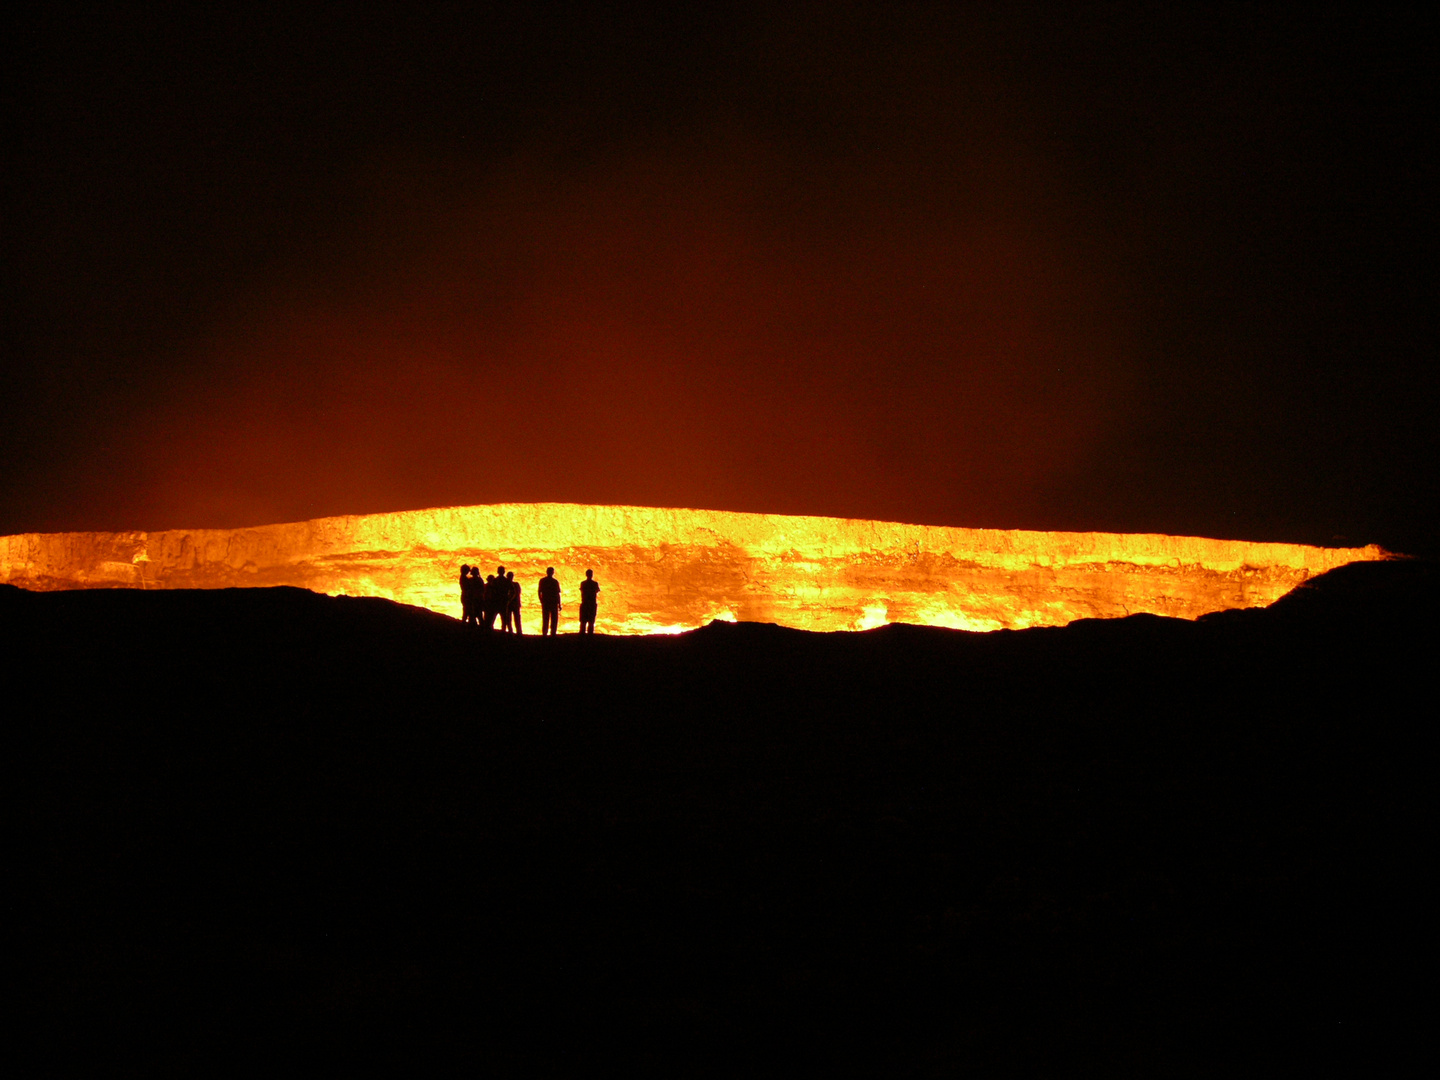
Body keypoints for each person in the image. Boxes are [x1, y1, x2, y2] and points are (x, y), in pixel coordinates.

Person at [538, 567, 561, 637]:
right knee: (552, 618)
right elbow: (557, 594)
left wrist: (541, 600)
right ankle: (552, 633)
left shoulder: (543, 581)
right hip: (551, 602)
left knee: (546, 618)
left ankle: (546, 633)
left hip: (547, 602)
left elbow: (539, 592)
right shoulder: (554, 581)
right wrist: (559, 604)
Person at [578, 568, 600, 634]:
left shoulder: (583, 583)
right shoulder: (595, 583)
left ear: (586, 575)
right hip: (592, 604)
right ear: (592, 575)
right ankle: (590, 636)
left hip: (585, 603)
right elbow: (597, 591)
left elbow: (582, 590)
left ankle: (582, 636)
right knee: (591, 621)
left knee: (583, 622)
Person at [506, 570, 522, 635]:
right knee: (512, 618)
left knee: (514, 618)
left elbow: (518, 593)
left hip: (512, 604)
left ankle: (515, 631)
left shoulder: (514, 584)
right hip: (513, 604)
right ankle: (516, 631)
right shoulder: (515, 584)